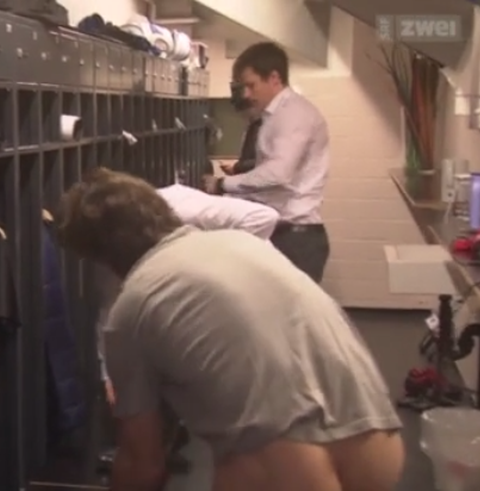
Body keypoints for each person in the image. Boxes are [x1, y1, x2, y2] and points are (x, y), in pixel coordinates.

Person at [57, 168, 404, 491]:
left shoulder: (132, 307)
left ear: (101, 257)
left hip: (286, 468)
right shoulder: (245, 244)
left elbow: (142, 465)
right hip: (379, 448)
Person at [98, 181, 279, 406]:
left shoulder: (179, 207)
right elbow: (111, 307)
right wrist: (109, 375)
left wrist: (203, 269)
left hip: (255, 291)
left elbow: (263, 217)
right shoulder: (116, 242)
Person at [202, 42, 331, 283]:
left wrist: (222, 184)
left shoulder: (293, 113)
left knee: (287, 308)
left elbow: (278, 173)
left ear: (274, 78)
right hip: (282, 233)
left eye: (252, 85)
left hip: (295, 238)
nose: (247, 94)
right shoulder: (273, 116)